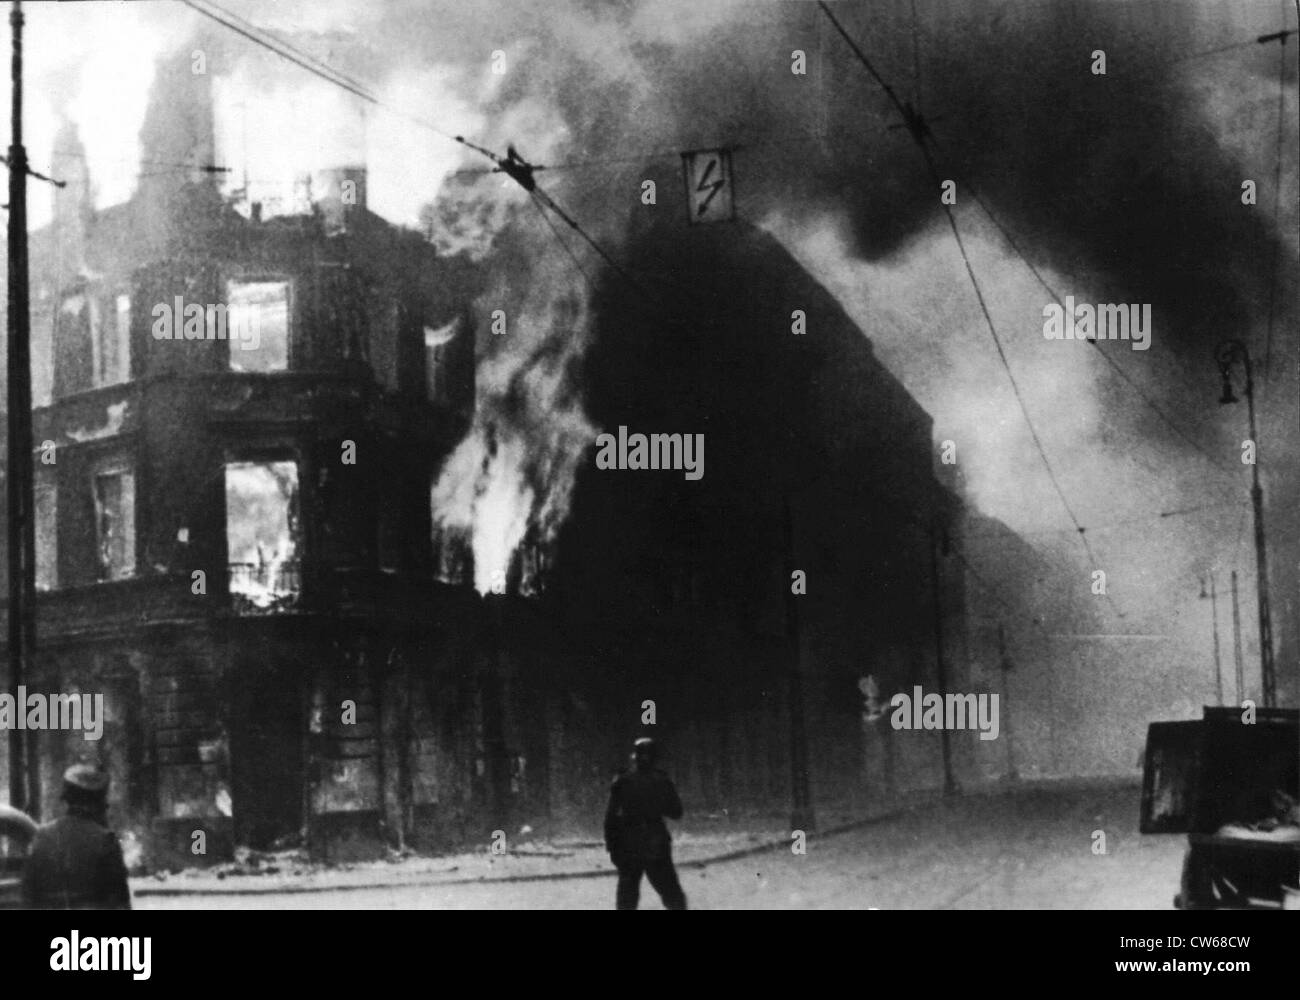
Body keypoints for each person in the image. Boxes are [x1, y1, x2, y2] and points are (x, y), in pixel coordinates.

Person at [22, 763, 131, 910]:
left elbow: (28, 896)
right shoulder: (106, 841)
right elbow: (120, 903)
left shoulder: (42, 836)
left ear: (67, 799)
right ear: (97, 802)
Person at [604, 737, 687, 910]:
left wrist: (612, 847)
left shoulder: (622, 780)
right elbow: (676, 812)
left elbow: (610, 818)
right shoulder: (662, 781)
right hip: (655, 844)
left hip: (629, 845)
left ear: (634, 757)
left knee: (627, 898)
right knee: (672, 895)